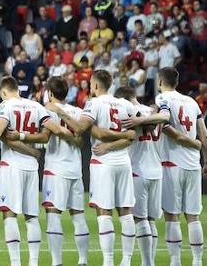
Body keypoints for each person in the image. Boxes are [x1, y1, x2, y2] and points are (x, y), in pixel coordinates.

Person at [0, 77, 74, 266]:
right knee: (32, 216)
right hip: (31, 167)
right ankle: (33, 262)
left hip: (11, 165)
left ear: (3, 92)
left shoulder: (6, 106)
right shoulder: (36, 106)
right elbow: (46, 136)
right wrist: (30, 147)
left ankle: (15, 262)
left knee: (10, 214)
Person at [48, 69, 137, 266]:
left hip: (103, 162)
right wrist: (119, 138)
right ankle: (127, 261)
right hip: (123, 161)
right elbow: (131, 136)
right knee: (126, 211)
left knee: (104, 212)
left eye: (90, 84)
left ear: (96, 85)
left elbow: (81, 129)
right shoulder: (125, 105)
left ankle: (108, 261)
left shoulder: (93, 104)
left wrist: (59, 111)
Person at [142, 67, 207, 266]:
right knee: (193, 216)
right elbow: (204, 135)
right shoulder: (192, 102)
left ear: (160, 82)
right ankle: (197, 261)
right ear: (177, 82)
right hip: (193, 165)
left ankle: (175, 261)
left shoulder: (162, 99)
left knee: (172, 215)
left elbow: (163, 126)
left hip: (171, 163)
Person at [40, 77, 90, 266]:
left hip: (55, 168)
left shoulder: (47, 110)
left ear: (50, 93)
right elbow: (81, 140)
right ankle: (83, 260)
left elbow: (45, 136)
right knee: (78, 215)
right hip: (75, 169)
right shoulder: (78, 111)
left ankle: (56, 262)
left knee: (53, 214)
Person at [119, 85, 163, 266]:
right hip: (157, 170)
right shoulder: (154, 112)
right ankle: (150, 261)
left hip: (138, 169)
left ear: (122, 99)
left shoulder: (129, 113)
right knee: (151, 220)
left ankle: (147, 263)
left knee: (139, 219)